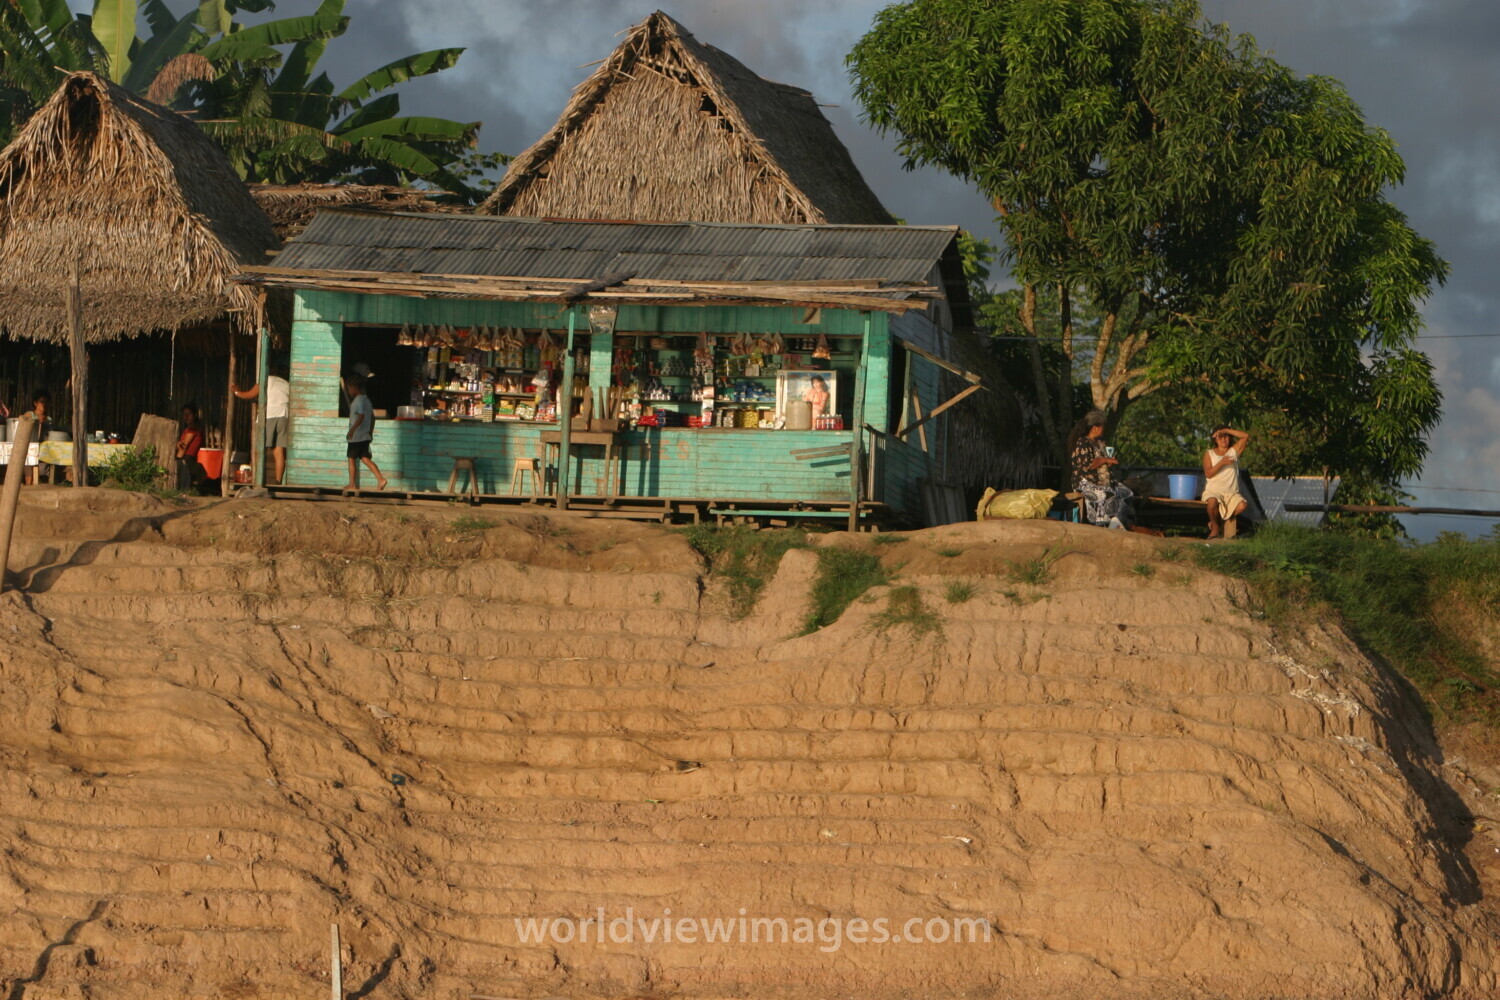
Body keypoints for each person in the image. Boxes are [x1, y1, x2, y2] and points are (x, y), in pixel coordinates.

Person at [1066, 409, 1132, 528]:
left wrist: (1109, 462)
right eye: (1102, 426)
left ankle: (1117, 522)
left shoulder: (1101, 442)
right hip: (1085, 482)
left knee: (1126, 493)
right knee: (1106, 494)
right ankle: (1100, 523)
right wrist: (1105, 460)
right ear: (1095, 427)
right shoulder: (1082, 442)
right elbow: (1087, 465)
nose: (1104, 429)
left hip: (1104, 480)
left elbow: (1102, 461)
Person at [232, 362, 290, 484]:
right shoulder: (287, 384)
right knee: (279, 452)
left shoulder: (267, 380)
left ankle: (257, 479)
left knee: (259, 449)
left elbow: (248, 395)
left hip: (269, 416)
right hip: (284, 417)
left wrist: (236, 392)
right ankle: (278, 482)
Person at [1202, 425, 1251, 539]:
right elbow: (1208, 473)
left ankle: (1218, 520)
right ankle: (1214, 527)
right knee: (1212, 502)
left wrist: (1227, 430)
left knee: (1242, 505)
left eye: (1226, 436)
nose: (1223, 439)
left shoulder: (1233, 451)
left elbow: (1245, 436)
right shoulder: (1209, 453)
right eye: (1220, 437)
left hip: (1231, 492)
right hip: (1214, 491)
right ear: (1215, 439)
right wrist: (1222, 463)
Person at [342, 373, 387, 492]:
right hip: (365, 435)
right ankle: (381, 479)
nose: (349, 391)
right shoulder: (367, 400)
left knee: (351, 459)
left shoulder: (358, 401)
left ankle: (352, 484)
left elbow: (361, 416)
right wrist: (370, 432)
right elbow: (372, 417)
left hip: (357, 436)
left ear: (354, 388)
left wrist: (351, 431)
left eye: (349, 388)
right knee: (365, 459)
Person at [22, 391, 50, 485]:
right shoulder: (30, 414)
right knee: (28, 455)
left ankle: (42, 479)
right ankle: (29, 483)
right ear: (35, 403)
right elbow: (22, 421)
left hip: (43, 446)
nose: (44, 404)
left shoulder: (48, 419)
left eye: (46, 402)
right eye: (42, 401)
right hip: (30, 444)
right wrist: (37, 421)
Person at [173, 404, 204, 489]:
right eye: (184, 414)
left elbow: (184, 446)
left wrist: (178, 460)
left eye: (189, 414)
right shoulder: (188, 429)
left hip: (187, 458)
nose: (186, 417)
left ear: (195, 415)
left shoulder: (193, 428)